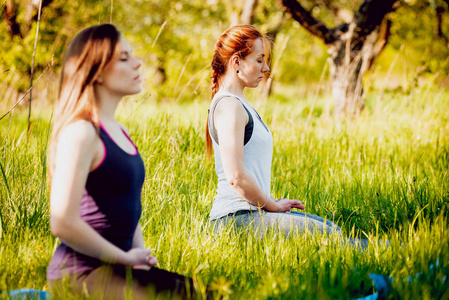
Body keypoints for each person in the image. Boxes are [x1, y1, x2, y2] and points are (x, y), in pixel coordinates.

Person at [47, 24, 200, 299]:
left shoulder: (120, 131)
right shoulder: (81, 132)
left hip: (120, 264)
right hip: (79, 273)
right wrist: (123, 258)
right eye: (124, 58)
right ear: (96, 70)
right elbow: (62, 223)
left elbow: (126, 207)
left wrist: (136, 256)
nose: (138, 63)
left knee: (205, 294)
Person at [206, 25, 343, 237]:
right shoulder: (229, 106)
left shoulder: (240, 103)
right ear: (236, 62)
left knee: (334, 230)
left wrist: (270, 203)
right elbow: (236, 176)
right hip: (234, 220)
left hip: (251, 213)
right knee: (329, 236)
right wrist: (272, 205)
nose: (266, 68)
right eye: (259, 60)